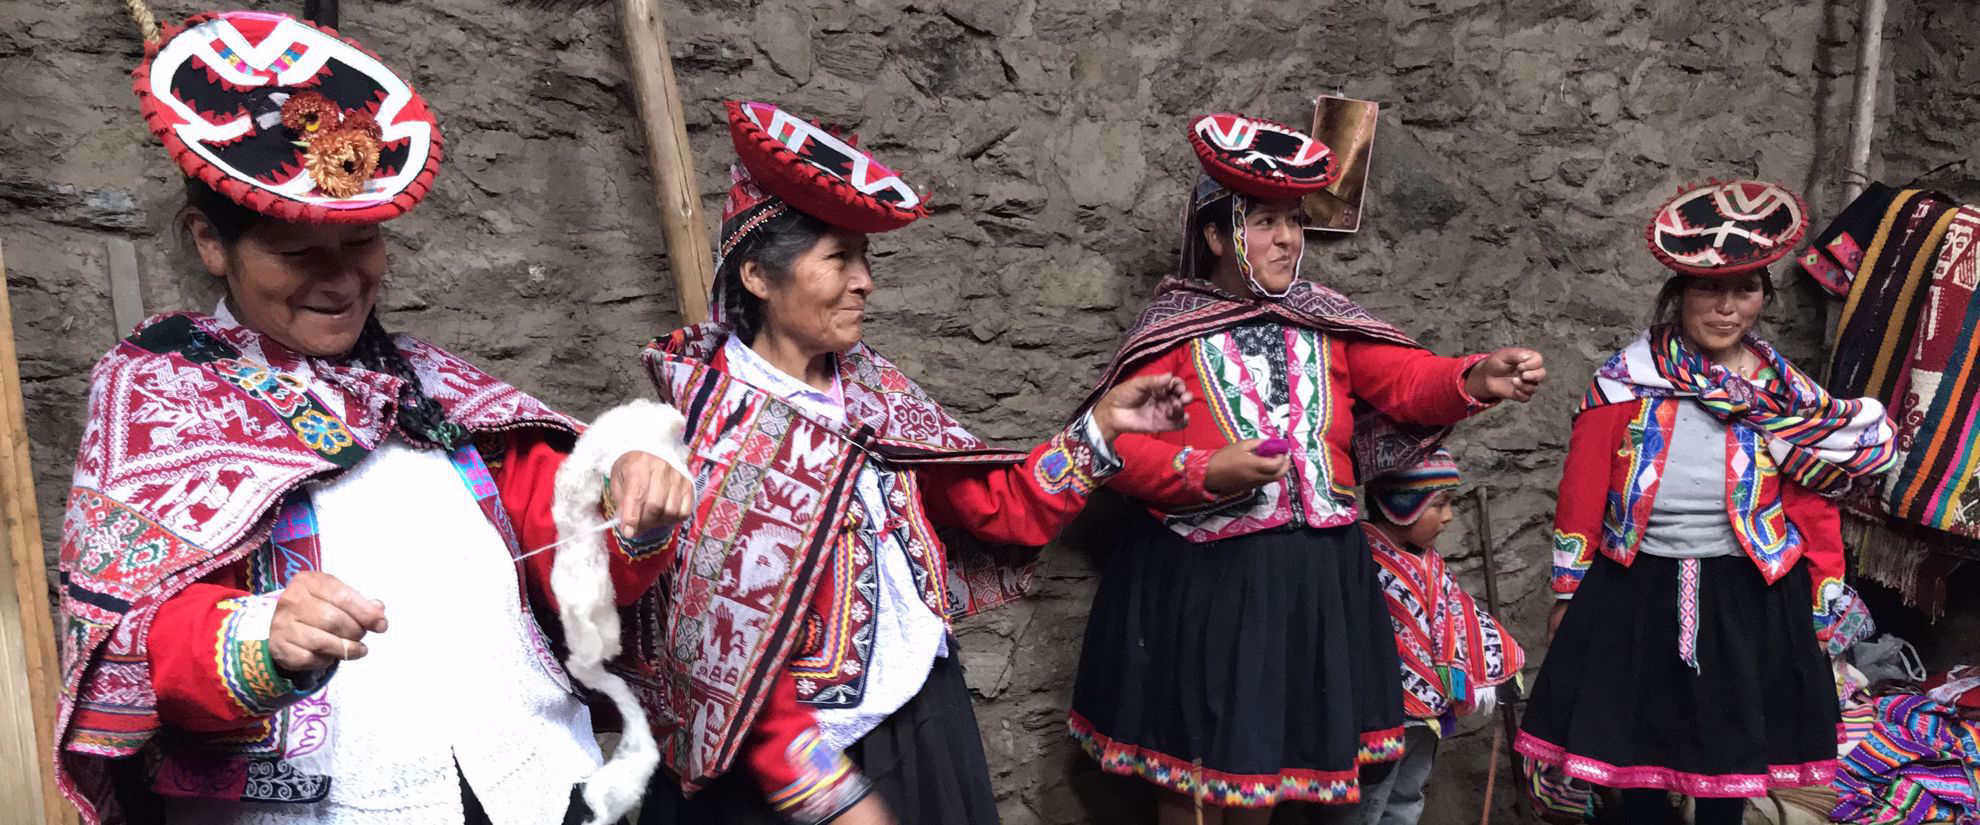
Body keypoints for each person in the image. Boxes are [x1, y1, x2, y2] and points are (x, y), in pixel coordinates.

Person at [54, 11, 695, 824]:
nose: (340, 280)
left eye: (360, 245)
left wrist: (626, 500)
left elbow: (564, 541)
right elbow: (140, 629)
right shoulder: (159, 399)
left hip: (534, 785)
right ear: (210, 243)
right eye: (297, 254)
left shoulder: (434, 392)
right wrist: (260, 637)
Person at [630, 100, 1193, 825]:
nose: (865, 281)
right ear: (758, 277)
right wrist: (834, 799)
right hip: (793, 765)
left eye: (865, 259)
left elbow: (999, 507)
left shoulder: (873, 390)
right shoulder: (715, 431)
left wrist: (1102, 426)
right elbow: (718, 653)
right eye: (839, 258)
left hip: (918, 715)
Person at [1065, 112, 1548, 824]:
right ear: (1215, 233)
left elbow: (1406, 379)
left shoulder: (1325, 320)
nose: (1288, 239)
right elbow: (1120, 448)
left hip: (1311, 575)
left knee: (1266, 767)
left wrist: (1475, 377)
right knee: (1192, 776)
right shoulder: (1173, 330)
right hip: (1204, 577)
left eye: (1293, 222)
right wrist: (1207, 470)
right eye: (1264, 222)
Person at [1517, 179, 1899, 825]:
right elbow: (1583, 488)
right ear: (1679, 294)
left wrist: (1824, 588)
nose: (1727, 307)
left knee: (1729, 765)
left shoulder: (1785, 397)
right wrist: (1566, 591)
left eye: (1745, 289)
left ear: (1762, 297)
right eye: (1709, 289)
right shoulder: (1626, 380)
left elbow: (1808, 502)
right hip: (1634, 586)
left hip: (1749, 594)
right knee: (1634, 756)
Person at [1356, 451, 1524, 825]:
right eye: (1439, 505)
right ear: (1402, 504)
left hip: (1429, 706)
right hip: (1381, 712)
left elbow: (1461, 616)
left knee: (1407, 794)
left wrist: (1497, 662)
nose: (1448, 517)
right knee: (1367, 802)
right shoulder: (1363, 562)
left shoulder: (1430, 563)